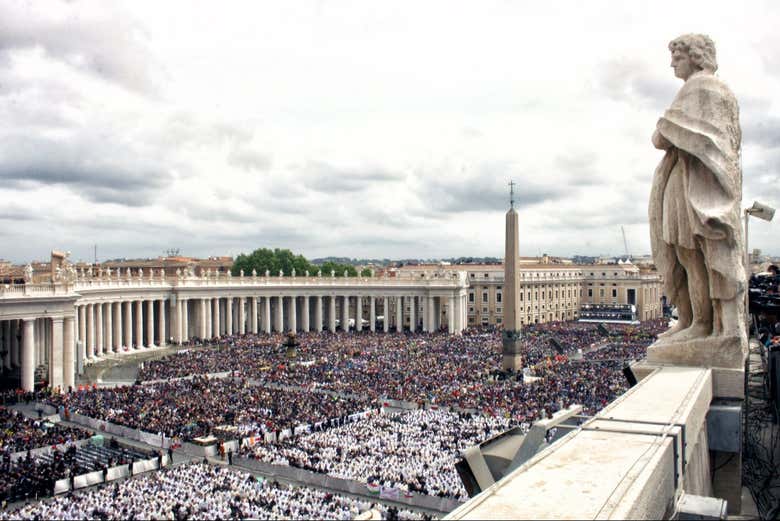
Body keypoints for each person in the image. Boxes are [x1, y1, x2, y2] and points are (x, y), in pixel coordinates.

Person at [648, 33, 746, 362]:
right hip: (692, 178)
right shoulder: (717, 91)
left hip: (693, 183)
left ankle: (702, 323)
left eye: (677, 56)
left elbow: (661, 137)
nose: (672, 62)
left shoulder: (701, 88)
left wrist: (665, 127)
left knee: (692, 254)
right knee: (689, 255)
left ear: (695, 56)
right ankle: (695, 321)